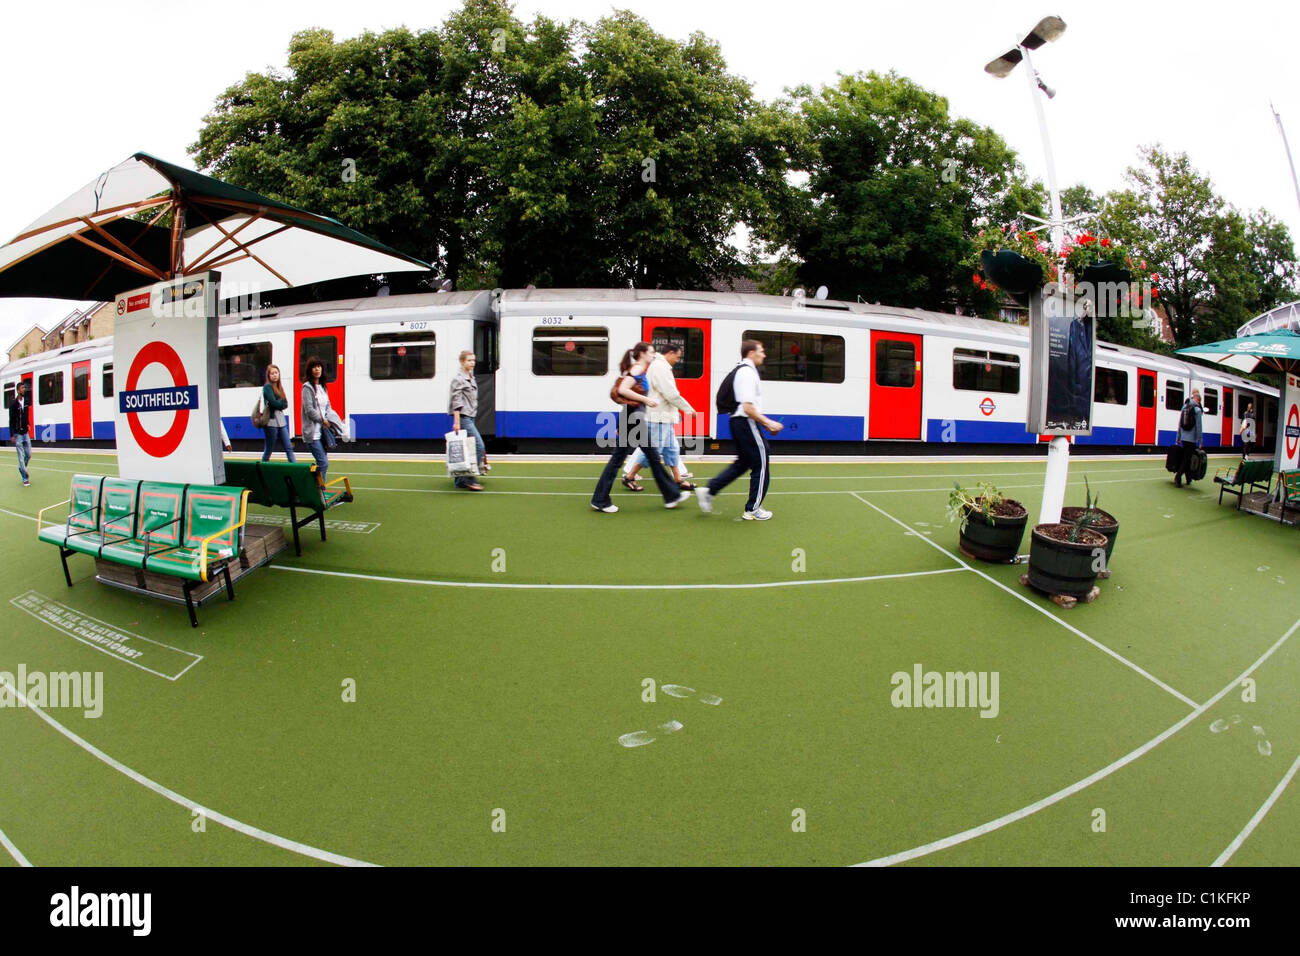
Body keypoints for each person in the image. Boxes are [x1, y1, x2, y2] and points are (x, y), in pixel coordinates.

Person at [590, 342, 692, 513]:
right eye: (651, 352)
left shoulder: (639, 369)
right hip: (633, 420)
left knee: (650, 456)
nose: (654, 354)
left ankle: (671, 496)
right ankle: (600, 500)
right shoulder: (637, 369)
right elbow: (623, 390)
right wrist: (646, 400)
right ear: (642, 354)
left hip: (632, 419)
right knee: (630, 459)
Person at [697, 339, 784, 519]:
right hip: (746, 422)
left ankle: (709, 490)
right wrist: (769, 423)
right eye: (762, 350)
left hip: (739, 422)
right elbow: (748, 408)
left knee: (742, 463)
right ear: (751, 353)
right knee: (761, 463)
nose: (764, 354)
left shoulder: (743, 371)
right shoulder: (747, 373)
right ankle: (753, 509)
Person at [621, 342, 696, 491]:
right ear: (670, 354)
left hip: (664, 417)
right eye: (677, 357)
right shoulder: (661, 368)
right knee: (653, 451)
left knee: (672, 449)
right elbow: (671, 394)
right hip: (659, 417)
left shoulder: (660, 366)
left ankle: (678, 480)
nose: (678, 360)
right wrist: (688, 409)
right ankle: (629, 477)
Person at [449, 350, 485, 492]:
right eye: (469, 360)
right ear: (462, 361)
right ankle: (468, 479)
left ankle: (459, 480)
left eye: (473, 360)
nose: (472, 363)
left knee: (467, 448)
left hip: (470, 416)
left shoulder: (470, 377)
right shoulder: (458, 379)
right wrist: (457, 422)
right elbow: (456, 401)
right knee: (478, 446)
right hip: (464, 418)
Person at [301, 356, 336, 481]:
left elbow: (327, 407)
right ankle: (317, 488)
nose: (317, 369)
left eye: (319, 366)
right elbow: (309, 410)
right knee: (323, 463)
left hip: (322, 432)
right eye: (314, 367)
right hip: (312, 434)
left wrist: (333, 419)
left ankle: (320, 488)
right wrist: (323, 420)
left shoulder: (323, 387)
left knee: (322, 462)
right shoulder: (307, 387)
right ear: (310, 370)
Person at [261, 364, 296, 462]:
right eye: (272, 373)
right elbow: (273, 402)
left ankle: (294, 466)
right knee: (269, 448)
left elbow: (286, 404)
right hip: (271, 421)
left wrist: (279, 403)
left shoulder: (279, 387)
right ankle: (263, 465)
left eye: (276, 373)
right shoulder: (267, 387)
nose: (274, 375)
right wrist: (280, 403)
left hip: (281, 421)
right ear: (268, 375)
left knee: (288, 447)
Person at [1173, 387, 1203, 487]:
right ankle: (1178, 477)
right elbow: (1199, 427)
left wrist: (1178, 436)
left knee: (1186, 457)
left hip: (1183, 438)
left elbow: (1179, 424)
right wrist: (1200, 440)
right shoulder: (1197, 410)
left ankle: (1188, 478)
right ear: (1198, 400)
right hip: (1191, 439)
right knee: (1187, 459)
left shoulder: (1184, 407)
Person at [8, 379, 32, 486]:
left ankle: (21, 468)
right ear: (18, 390)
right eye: (22, 388)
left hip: (25, 432)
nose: (24, 389)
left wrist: (28, 423)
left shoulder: (26, 401)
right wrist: (11, 434)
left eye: (24, 388)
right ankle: (25, 478)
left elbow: (26, 415)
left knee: (28, 454)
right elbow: (11, 420)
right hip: (17, 434)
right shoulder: (13, 404)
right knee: (21, 457)